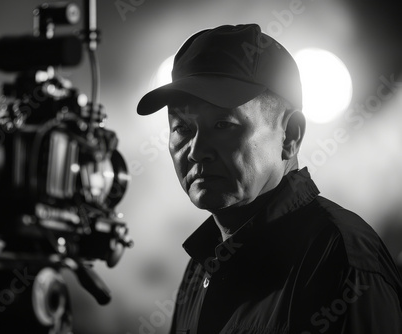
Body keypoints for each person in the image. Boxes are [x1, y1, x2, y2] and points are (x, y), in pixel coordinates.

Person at [137, 24, 402, 334]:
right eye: (182, 128)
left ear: (290, 135)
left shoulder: (339, 259)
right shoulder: (201, 267)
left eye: (223, 124)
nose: (196, 151)